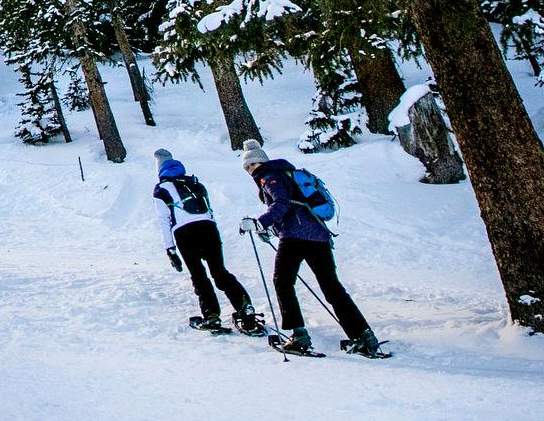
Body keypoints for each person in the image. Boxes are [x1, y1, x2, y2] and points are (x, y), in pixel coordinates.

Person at [240, 139, 383, 356]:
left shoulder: (269, 177)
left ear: (261, 162)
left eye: (252, 165)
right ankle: (363, 335)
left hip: (295, 238)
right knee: (332, 288)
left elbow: (282, 204)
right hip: (319, 236)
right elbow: (292, 207)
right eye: (247, 167)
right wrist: (270, 229)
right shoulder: (285, 173)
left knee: (283, 281)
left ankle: (299, 335)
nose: (251, 170)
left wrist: (260, 223)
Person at [151, 148, 262, 335]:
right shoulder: (195, 183)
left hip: (184, 232)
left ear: (160, 169)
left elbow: (164, 219)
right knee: (220, 272)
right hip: (208, 228)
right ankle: (245, 306)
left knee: (199, 275)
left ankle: (211, 315)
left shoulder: (161, 188)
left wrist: (170, 249)